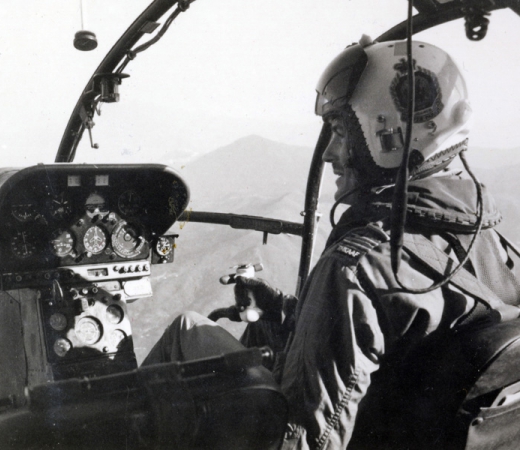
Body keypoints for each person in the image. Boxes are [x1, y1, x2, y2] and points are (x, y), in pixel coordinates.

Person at [142, 38, 520, 449]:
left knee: (187, 330)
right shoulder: (493, 244)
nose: (329, 153)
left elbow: (307, 437)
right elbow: (396, 347)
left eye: (340, 132)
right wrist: (283, 312)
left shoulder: (356, 267)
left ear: (388, 137)